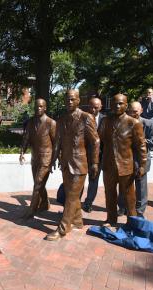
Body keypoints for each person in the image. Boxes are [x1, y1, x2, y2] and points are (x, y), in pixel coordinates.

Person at [45, 90, 100, 241]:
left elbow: (95, 141)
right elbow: (57, 143)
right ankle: (77, 221)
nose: (69, 102)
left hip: (80, 163)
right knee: (72, 195)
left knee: (71, 196)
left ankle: (62, 229)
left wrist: (94, 162)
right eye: (67, 99)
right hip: (65, 163)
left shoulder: (86, 117)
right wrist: (53, 160)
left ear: (78, 101)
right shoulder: (61, 119)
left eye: (72, 99)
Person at [98, 94, 147, 227]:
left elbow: (141, 146)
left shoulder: (133, 123)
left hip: (126, 166)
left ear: (126, 106)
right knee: (110, 194)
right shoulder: (105, 121)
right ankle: (111, 219)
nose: (117, 106)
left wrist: (142, 165)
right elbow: (98, 139)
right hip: (108, 165)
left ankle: (132, 221)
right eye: (114, 103)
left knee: (129, 197)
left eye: (120, 103)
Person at [117, 101, 153, 217]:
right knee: (124, 185)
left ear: (141, 111)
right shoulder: (124, 123)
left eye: (135, 111)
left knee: (141, 187)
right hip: (126, 159)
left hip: (141, 160)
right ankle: (122, 208)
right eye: (130, 111)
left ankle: (140, 211)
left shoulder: (149, 124)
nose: (133, 113)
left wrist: (141, 141)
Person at [19, 98, 56, 219]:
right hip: (35, 157)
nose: (38, 108)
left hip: (46, 158)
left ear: (45, 108)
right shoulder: (30, 122)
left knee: (38, 183)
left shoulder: (51, 123)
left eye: (40, 106)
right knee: (38, 183)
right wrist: (22, 151)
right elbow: (26, 137)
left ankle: (32, 209)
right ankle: (45, 203)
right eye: (36, 106)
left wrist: (56, 159)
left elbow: (56, 143)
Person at [81, 97, 105, 213]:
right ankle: (75, 202)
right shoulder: (82, 118)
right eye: (91, 107)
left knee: (93, 181)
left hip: (98, 156)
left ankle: (88, 203)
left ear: (100, 107)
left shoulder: (105, 120)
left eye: (96, 107)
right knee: (79, 179)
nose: (93, 110)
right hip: (83, 155)